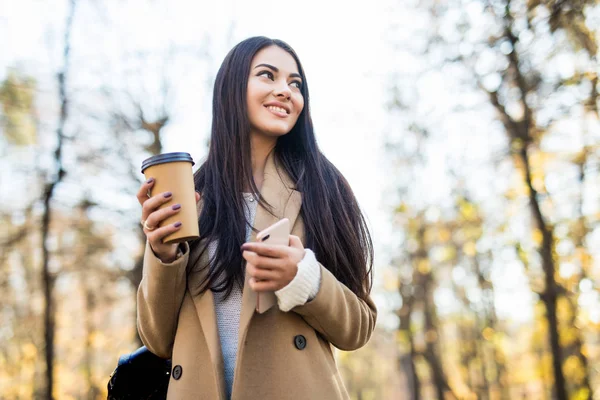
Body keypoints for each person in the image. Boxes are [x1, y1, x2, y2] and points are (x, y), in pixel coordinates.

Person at [136, 36, 377, 400]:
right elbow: (158, 340)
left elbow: (358, 328)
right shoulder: (193, 195)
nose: (285, 91)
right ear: (231, 88)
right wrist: (163, 256)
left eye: (295, 84)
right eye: (268, 76)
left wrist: (304, 279)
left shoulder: (324, 189)